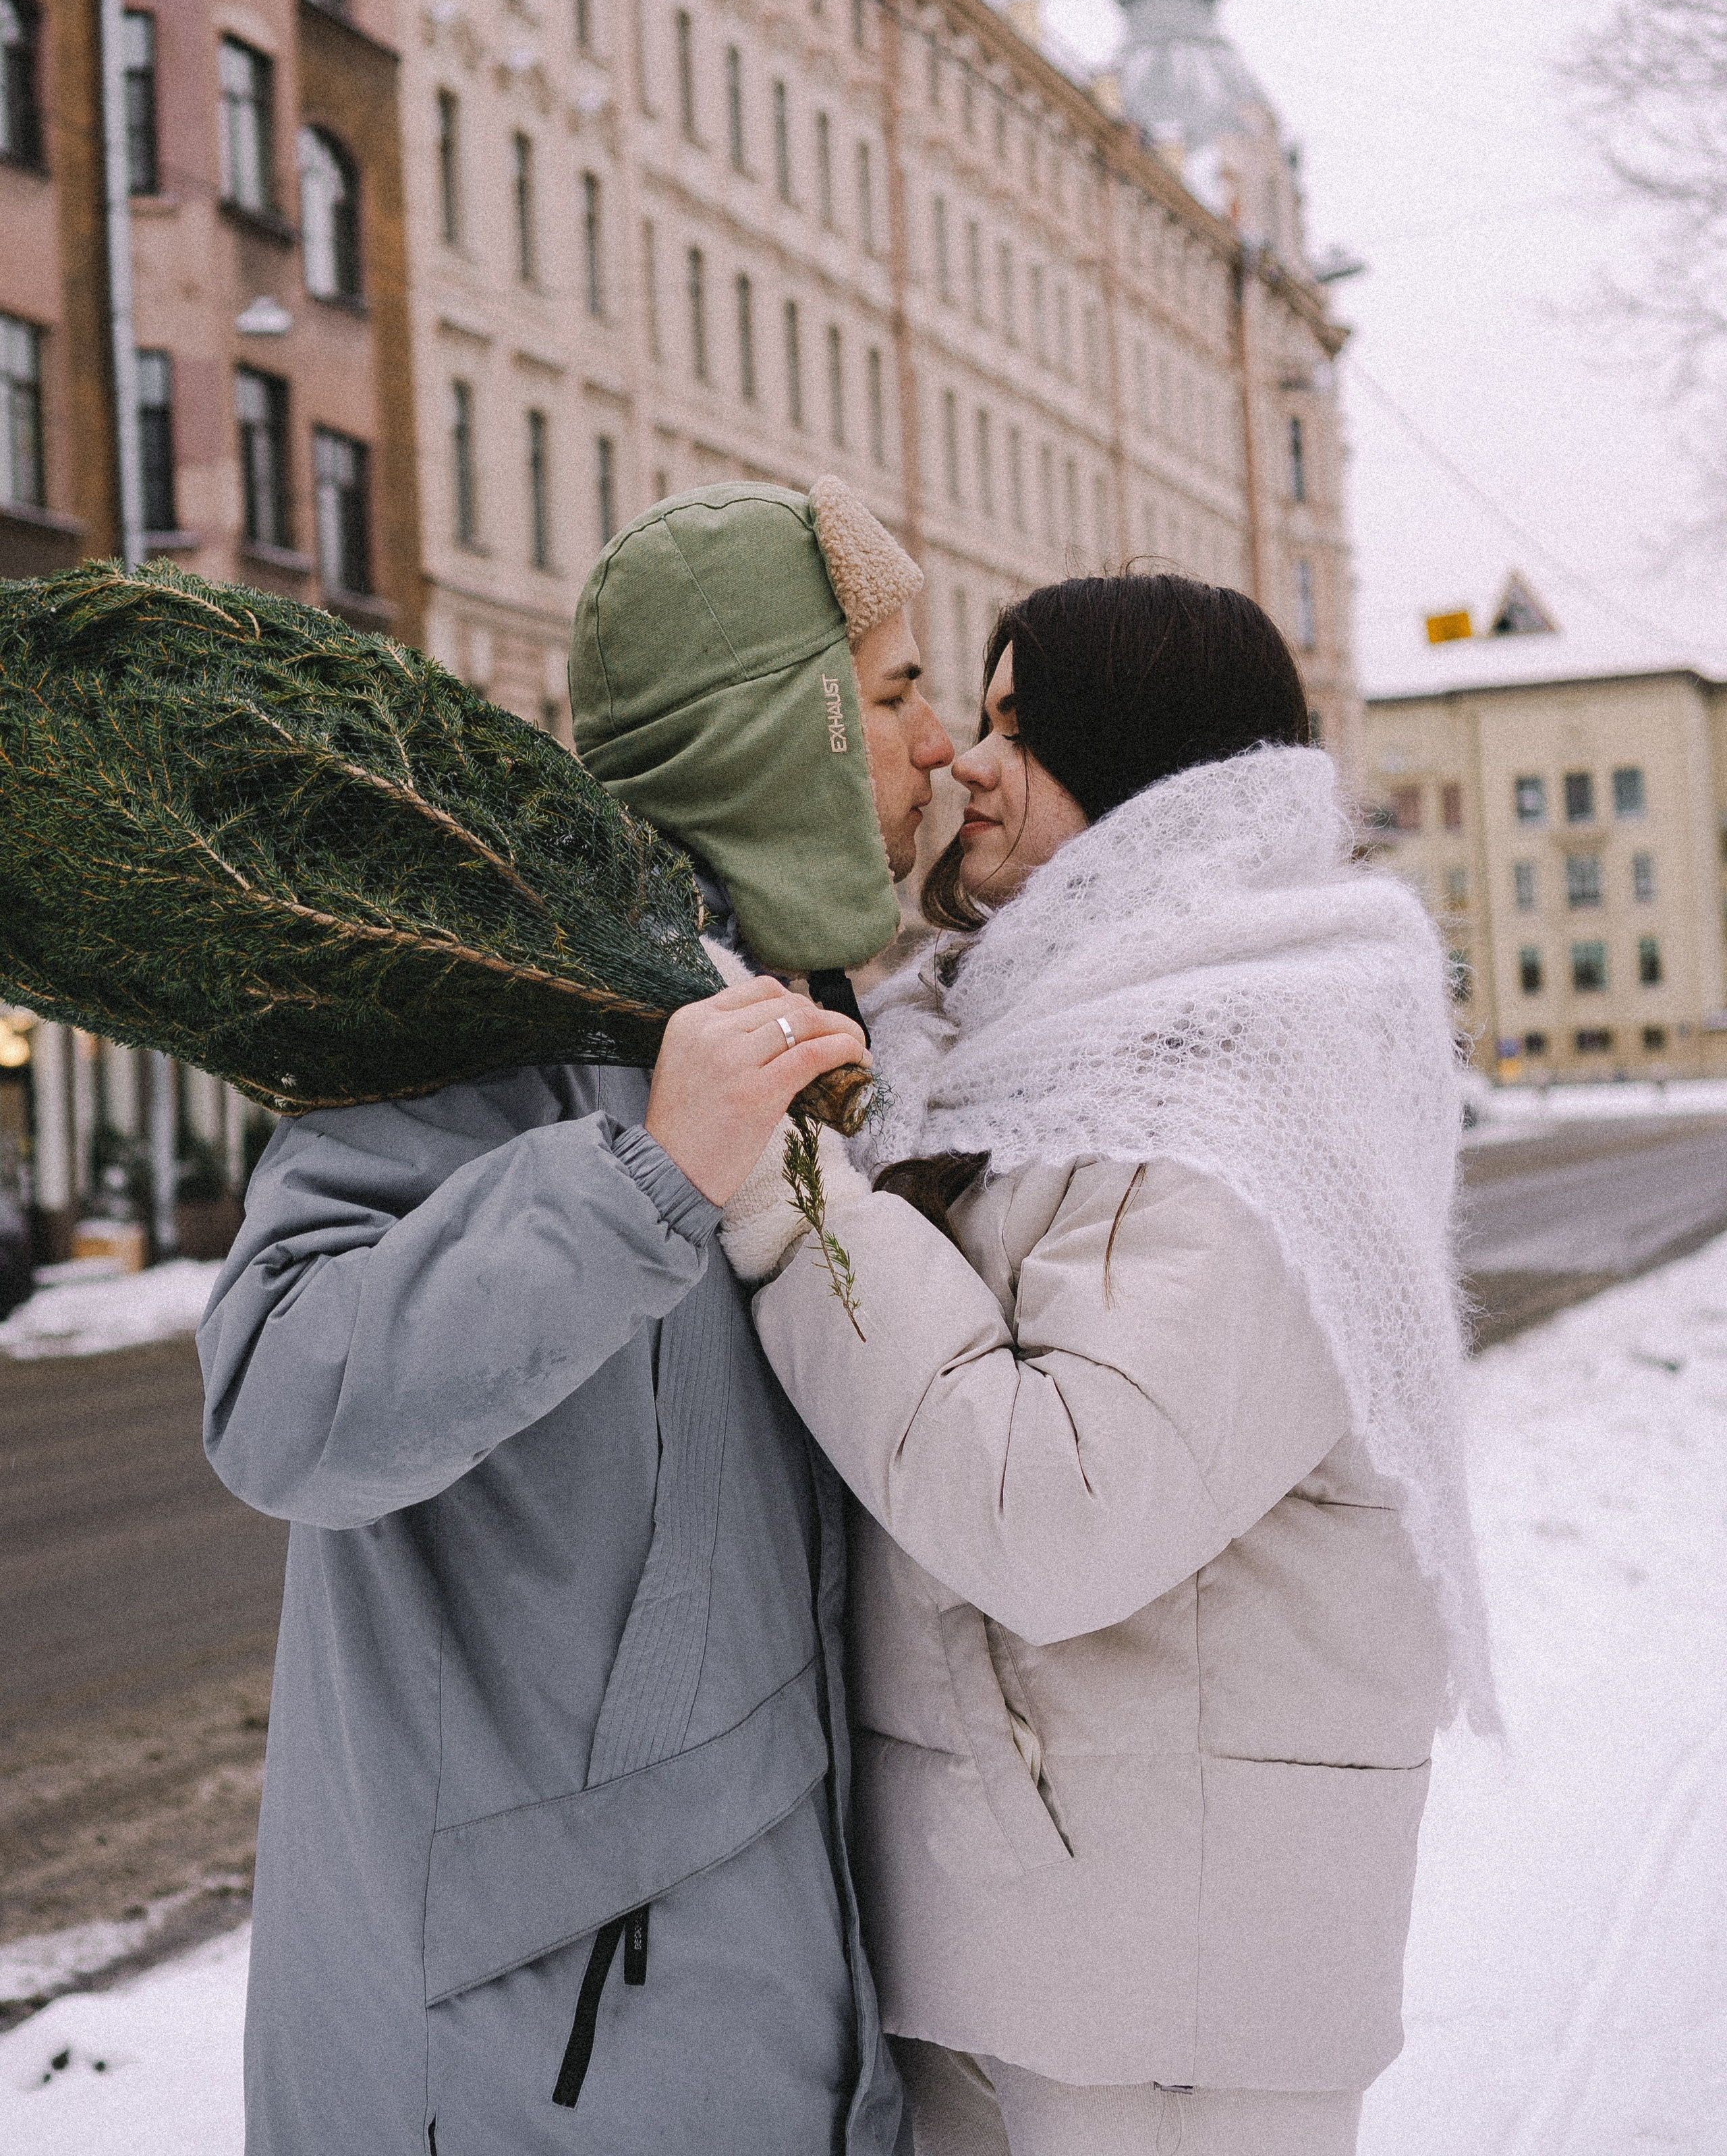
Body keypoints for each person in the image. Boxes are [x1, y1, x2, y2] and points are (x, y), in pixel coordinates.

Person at [198, 478, 946, 2156]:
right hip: (524, 2049)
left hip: (733, 2011)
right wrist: (640, 1179)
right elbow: (278, 1400)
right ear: (783, 735)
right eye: (896, 696)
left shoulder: (793, 1026)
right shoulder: (483, 1009)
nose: (946, 749)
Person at [725, 573, 1497, 2156]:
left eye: (1021, 726)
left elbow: (1061, 1511)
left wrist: (780, 1192)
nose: (962, 763)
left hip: (1172, 1989)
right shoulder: (1013, 1040)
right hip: (1018, 1927)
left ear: (1143, 771)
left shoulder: (1259, 1072)